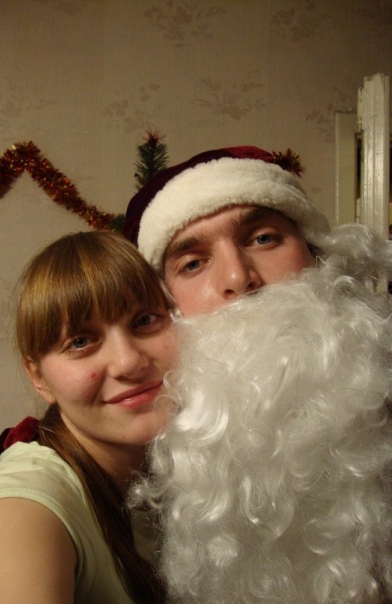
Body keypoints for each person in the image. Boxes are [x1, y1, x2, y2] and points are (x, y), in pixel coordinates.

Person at [124, 145, 392, 603]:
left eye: (263, 239)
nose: (239, 278)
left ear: (315, 255)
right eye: (193, 263)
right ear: (169, 304)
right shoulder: (141, 453)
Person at [0, 230, 176, 604]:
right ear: (38, 377)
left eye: (145, 320)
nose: (129, 362)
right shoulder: (21, 514)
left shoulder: (176, 464)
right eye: (81, 341)